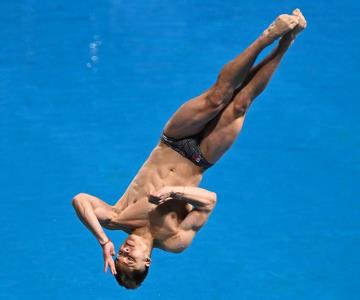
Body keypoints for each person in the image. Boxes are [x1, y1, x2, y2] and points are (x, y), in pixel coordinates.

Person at [72, 9, 307, 289]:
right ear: (146, 261)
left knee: (217, 97)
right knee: (241, 103)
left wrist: (103, 240)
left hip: (172, 141)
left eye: (120, 255)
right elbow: (209, 200)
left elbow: (80, 200)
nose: (125, 251)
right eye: (130, 259)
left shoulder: (115, 218)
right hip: (201, 159)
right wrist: (174, 193)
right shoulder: (174, 240)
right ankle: (287, 42)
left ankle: (268, 36)